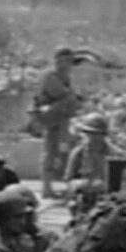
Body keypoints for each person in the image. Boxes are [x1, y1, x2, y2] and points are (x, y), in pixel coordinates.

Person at [33, 48, 81, 193]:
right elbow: (62, 93)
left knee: (62, 151)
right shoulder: (51, 76)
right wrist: (71, 98)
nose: (69, 65)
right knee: (50, 152)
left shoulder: (64, 76)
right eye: (66, 61)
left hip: (62, 118)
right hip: (51, 119)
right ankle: (46, 188)